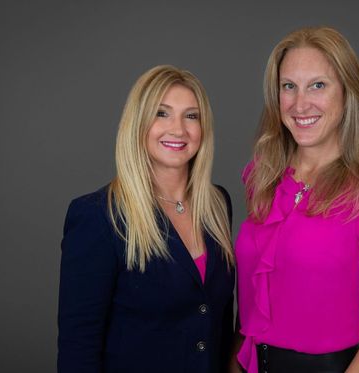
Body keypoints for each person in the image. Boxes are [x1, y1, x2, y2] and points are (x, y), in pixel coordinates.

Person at [232, 27, 359, 373]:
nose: (301, 104)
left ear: (347, 92)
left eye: (318, 85)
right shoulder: (262, 178)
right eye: (289, 87)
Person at [57, 65, 235, 373]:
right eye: (162, 113)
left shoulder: (217, 205)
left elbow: (218, 323)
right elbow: (78, 347)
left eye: (191, 116)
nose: (178, 129)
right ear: (138, 124)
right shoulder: (98, 216)